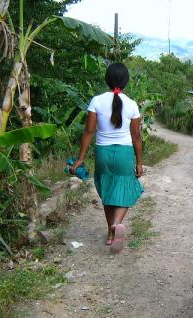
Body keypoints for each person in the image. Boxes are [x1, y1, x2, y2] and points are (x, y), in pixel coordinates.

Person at [71, 62, 144, 253]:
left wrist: (80, 159)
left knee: (107, 190)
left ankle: (111, 234)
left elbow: (88, 131)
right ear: (126, 81)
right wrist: (139, 162)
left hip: (103, 152)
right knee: (125, 188)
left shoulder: (96, 101)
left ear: (107, 79)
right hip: (125, 153)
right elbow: (136, 136)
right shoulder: (132, 104)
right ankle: (116, 224)